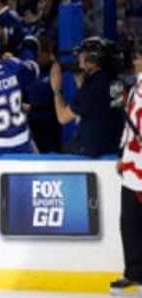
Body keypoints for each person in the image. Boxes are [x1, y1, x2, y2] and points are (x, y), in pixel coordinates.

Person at [49, 36, 124, 157]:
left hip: (93, 151)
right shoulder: (115, 80)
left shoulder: (92, 87)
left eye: (82, 54)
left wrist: (56, 90)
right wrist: (82, 84)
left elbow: (62, 118)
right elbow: (98, 106)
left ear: (92, 58)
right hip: (114, 145)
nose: (79, 58)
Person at [111, 44, 142, 295]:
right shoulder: (134, 88)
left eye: (139, 57)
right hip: (133, 167)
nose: (135, 61)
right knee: (129, 222)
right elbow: (129, 126)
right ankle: (134, 272)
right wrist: (123, 154)